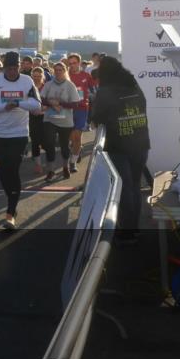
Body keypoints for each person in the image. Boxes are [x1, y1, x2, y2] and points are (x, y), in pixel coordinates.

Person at [91, 56, 151, 244]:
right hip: (140, 142)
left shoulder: (105, 91)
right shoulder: (134, 85)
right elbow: (144, 106)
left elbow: (96, 118)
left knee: (124, 188)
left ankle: (127, 232)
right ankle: (134, 228)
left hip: (118, 145)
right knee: (134, 186)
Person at [0, 52, 41, 229]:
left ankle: (10, 212)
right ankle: (12, 197)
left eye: (15, 68)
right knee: (2, 171)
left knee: (13, 169)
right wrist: (4, 107)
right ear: (4, 68)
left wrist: (17, 103)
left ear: (19, 67)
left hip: (19, 133)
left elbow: (36, 105)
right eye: (9, 68)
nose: (12, 71)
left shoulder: (26, 81)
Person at [40, 62, 82, 182]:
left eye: (60, 70)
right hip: (49, 119)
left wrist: (60, 103)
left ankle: (65, 166)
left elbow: (75, 103)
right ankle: (51, 170)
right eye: (56, 70)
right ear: (53, 71)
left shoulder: (70, 85)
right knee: (49, 144)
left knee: (64, 146)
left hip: (65, 120)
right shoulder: (48, 84)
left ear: (64, 71)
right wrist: (51, 103)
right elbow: (41, 98)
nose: (58, 72)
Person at [66, 53, 94, 171]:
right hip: (67, 110)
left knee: (77, 137)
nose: (72, 65)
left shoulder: (86, 75)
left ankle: (73, 162)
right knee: (71, 138)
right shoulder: (65, 75)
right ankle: (77, 150)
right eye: (70, 63)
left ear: (79, 63)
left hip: (82, 110)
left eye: (74, 63)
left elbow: (94, 89)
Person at [29, 66, 48, 175]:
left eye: (39, 76)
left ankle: (48, 164)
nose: (36, 78)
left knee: (47, 142)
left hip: (45, 117)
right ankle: (38, 165)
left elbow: (50, 101)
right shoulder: (29, 87)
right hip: (33, 117)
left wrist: (45, 109)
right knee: (35, 142)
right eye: (34, 76)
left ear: (43, 77)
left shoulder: (46, 87)